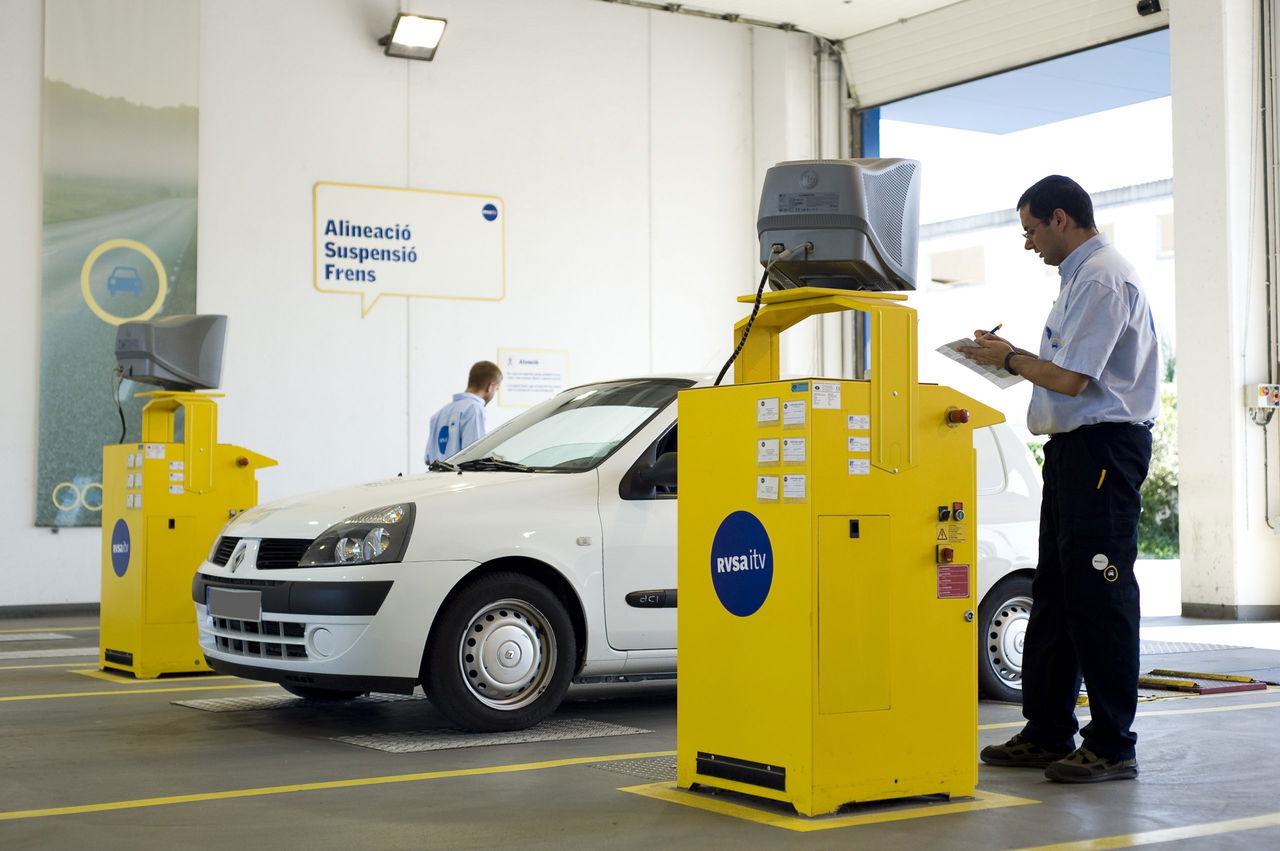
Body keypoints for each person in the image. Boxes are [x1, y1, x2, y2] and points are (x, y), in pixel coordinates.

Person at [960, 175, 1159, 784]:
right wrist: (1012, 354)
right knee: (1055, 593)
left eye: (1031, 230)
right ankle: (1047, 729)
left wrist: (1009, 359)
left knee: (1099, 596)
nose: (1029, 244)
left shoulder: (1102, 277)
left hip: (1104, 451)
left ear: (1062, 219)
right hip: (1074, 454)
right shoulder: (1078, 280)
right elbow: (1069, 372)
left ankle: (1111, 744)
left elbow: (1073, 382)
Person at [425, 361, 503, 464]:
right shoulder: (474, 409)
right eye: (496, 389)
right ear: (490, 387)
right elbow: (475, 456)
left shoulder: (438, 414)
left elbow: (428, 460)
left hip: (438, 479)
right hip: (463, 479)